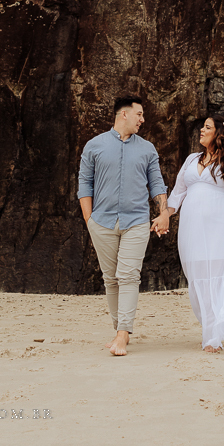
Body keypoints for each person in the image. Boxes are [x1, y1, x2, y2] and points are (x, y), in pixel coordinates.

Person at [151, 117, 224, 352]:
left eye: (208, 127)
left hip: (220, 223)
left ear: (218, 134)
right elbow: (177, 194)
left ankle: (213, 337)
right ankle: (210, 329)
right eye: (202, 126)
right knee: (197, 276)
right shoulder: (191, 159)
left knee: (217, 275)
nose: (201, 130)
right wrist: (165, 215)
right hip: (191, 225)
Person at [78, 96, 168, 356]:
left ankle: (122, 335)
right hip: (102, 223)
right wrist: (89, 220)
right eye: (139, 114)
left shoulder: (148, 149)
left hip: (137, 223)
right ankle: (120, 329)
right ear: (124, 115)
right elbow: (85, 184)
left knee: (129, 276)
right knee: (111, 279)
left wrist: (164, 214)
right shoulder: (94, 146)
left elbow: (157, 185)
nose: (143, 119)